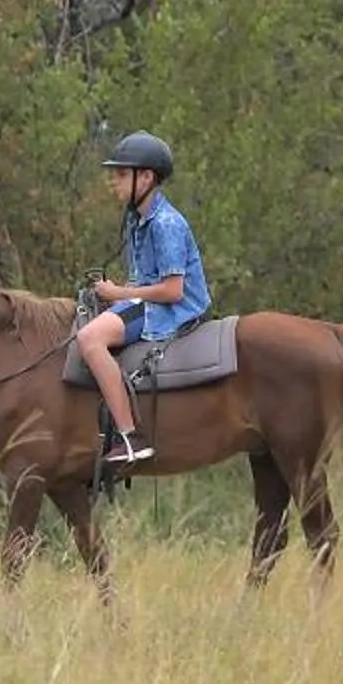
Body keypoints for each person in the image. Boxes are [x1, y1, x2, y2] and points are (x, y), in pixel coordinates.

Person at [75, 130, 209, 466]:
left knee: (90, 339)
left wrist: (119, 293)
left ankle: (130, 436)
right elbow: (146, 280)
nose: (114, 183)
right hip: (149, 303)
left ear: (146, 177)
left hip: (169, 310)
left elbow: (173, 290)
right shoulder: (139, 219)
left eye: (121, 175)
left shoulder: (165, 224)